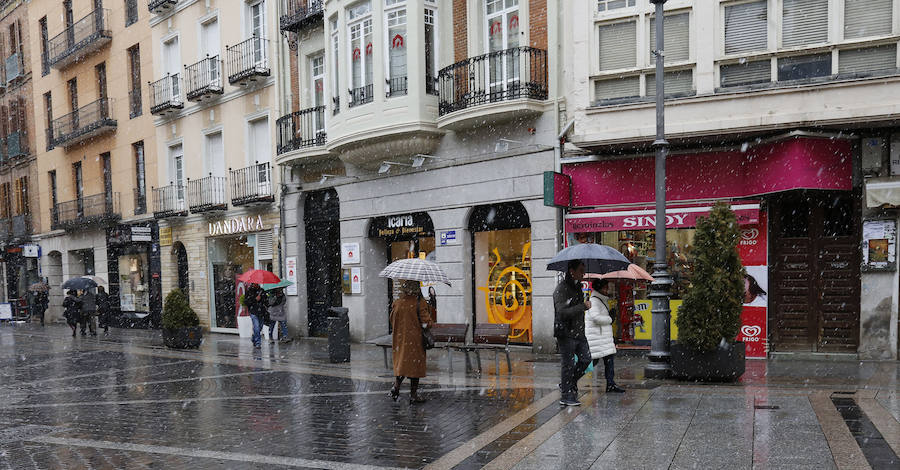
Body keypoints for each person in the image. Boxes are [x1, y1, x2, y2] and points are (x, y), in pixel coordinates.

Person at [553, 259, 592, 406]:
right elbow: (562, 312)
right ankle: (566, 395)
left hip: (579, 333)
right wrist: (582, 306)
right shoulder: (561, 289)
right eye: (581, 271)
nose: (583, 274)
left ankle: (568, 383)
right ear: (572, 271)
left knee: (586, 360)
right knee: (568, 364)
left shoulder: (578, 287)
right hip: (566, 332)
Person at [389, 280, 434, 404]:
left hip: (400, 339)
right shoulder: (419, 303)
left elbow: (392, 320)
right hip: (415, 340)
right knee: (415, 367)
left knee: (402, 365)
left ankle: (396, 387)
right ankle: (413, 395)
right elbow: (427, 323)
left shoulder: (397, 303)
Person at [585, 279, 625, 393]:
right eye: (606, 287)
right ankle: (568, 381)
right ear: (600, 288)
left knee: (609, 361)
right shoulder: (594, 300)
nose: (607, 290)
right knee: (589, 363)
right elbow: (595, 317)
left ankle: (611, 384)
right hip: (597, 339)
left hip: (603, 338)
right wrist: (610, 318)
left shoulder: (601, 300)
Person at [244, 283, 268, 349]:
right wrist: (255, 299)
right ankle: (258, 343)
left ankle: (254, 337)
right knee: (256, 327)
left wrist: (262, 299)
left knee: (259, 327)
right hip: (253, 312)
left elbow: (266, 301)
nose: (255, 284)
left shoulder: (262, 291)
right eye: (254, 283)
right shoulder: (249, 291)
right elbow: (246, 302)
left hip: (261, 312)